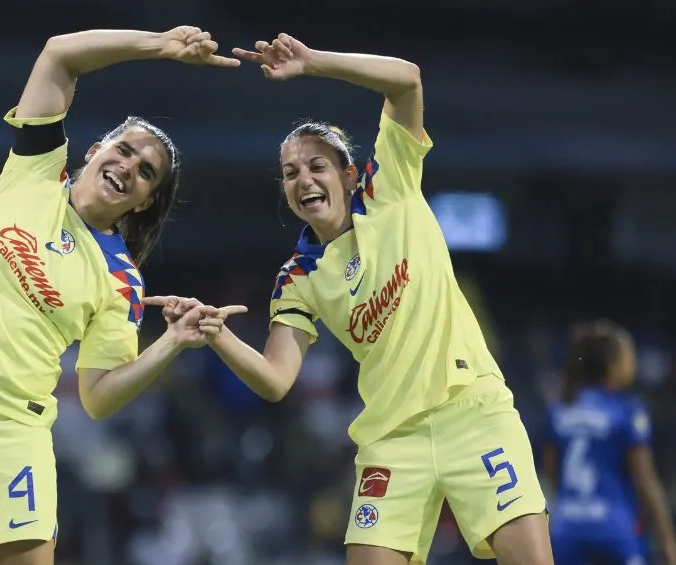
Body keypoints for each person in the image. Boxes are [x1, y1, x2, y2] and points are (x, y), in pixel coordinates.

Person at [147, 33, 552, 565]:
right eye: (291, 173)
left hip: (472, 412)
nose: (303, 178)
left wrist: (313, 63)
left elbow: (406, 77)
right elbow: (275, 379)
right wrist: (218, 336)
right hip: (390, 440)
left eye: (317, 166)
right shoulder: (297, 277)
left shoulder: (393, 189)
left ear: (349, 175)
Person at [0, 27, 241, 565]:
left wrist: (171, 342)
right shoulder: (33, 172)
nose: (128, 166)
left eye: (145, 172)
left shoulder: (121, 280)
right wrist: (159, 46)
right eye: (124, 150)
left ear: (145, 202)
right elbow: (60, 54)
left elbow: (99, 396)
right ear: (95, 148)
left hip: (12, 429)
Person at [544, 320, 676, 565]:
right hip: (615, 530)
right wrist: (668, 540)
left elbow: (552, 475)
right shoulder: (627, 410)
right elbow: (645, 480)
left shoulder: (559, 412)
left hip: (567, 530)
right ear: (613, 363)